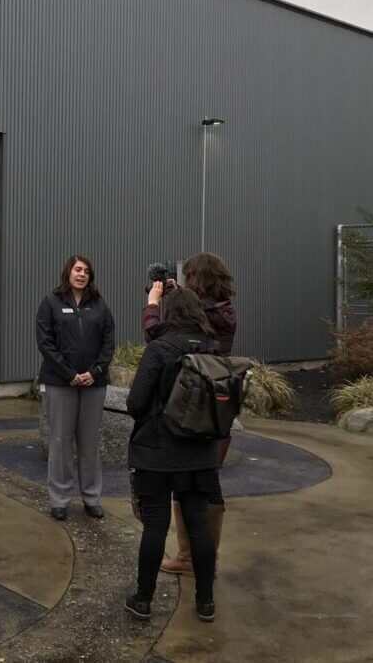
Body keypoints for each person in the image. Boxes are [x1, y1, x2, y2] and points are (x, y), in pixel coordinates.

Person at [125, 287, 219, 623]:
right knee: (198, 524)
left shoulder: (159, 349)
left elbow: (135, 403)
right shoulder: (212, 348)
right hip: (200, 452)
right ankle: (206, 602)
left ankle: (143, 599)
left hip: (157, 452)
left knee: (155, 526)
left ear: (170, 313)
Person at [142, 253, 237, 576]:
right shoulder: (223, 310)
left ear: (197, 279)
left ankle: (189, 558)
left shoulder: (206, 317)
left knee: (193, 482)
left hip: (193, 405)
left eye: (188, 276)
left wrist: (155, 304)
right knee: (208, 482)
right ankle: (202, 556)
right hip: (217, 406)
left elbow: (158, 337)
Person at [36, 255, 116, 521]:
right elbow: (45, 343)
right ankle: (59, 499)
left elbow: (108, 344)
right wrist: (69, 374)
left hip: (94, 384)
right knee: (60, 442)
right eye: (77, 269)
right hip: (61, 383)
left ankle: (91, 497)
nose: (82, 274)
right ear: (68, 273)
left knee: (90, 442)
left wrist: (94, 372)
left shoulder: (100, 306)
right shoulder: (51, 303)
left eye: (86, 271)